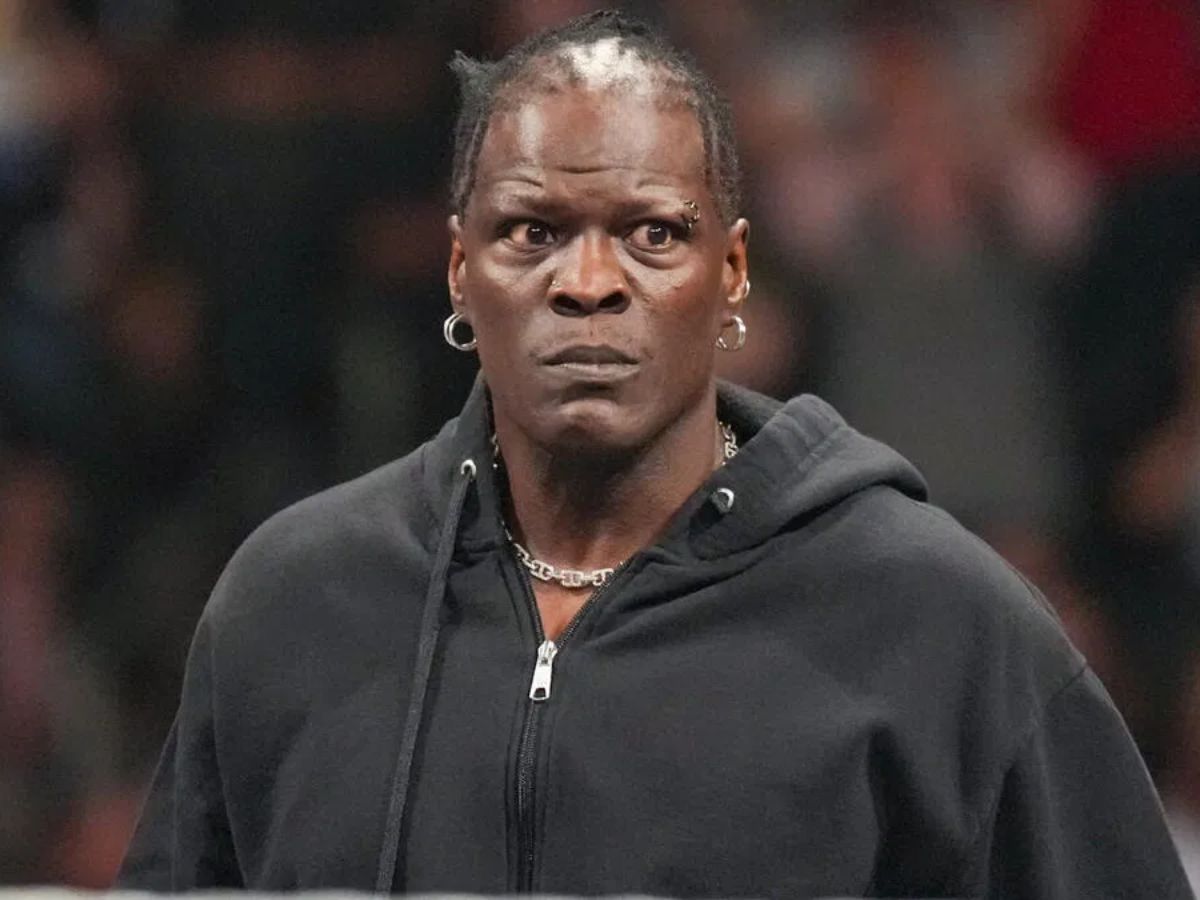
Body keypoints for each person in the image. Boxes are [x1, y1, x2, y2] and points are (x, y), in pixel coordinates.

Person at [117, 10, 1192, 898]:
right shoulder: (293, 603)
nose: (589, 283)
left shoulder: (940, 622)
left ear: (732, 275)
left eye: (653, 234)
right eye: (532, 232)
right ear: (458, 271)